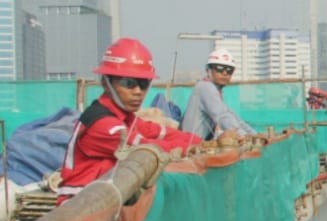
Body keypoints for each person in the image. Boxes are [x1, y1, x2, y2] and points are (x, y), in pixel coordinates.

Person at [60, 39, 202, 202]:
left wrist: (198, 142)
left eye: (143, 84)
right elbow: (148, 147)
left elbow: (156, 132)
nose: (138, 92)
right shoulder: (103, 125)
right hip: (79, 209)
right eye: (129, 83)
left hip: (105, 202)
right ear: (106, 83)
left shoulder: (125, 117)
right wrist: (189, 148)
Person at [181, 49, 257, 141]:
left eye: (229, 70)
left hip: (198, 142)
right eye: (219, 69)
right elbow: (222, 116)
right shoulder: (206, 88)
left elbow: (231, 115)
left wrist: (254, 135)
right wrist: (244, 136)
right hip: (192, 144)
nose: (224, 73)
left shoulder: (212, 88)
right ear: (208, 70)